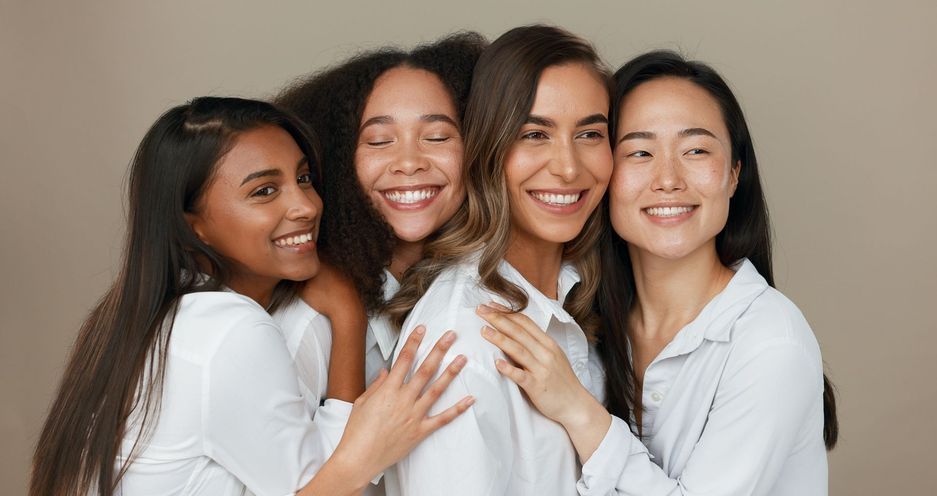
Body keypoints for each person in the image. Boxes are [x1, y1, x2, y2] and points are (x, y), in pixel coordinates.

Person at [29, 97, 473, 496]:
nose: (306, 206)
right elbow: (325, 484)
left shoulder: (147, 318)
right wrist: (348, 315)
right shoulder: (226, 327)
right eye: (264, 191)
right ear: (191, 224)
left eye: (303, 178)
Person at [476, 51, 839, 495]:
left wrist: (578, 410)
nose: (668, 179)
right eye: (640, 151)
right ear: (606, 171)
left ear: (733, 174)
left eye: (696, 150)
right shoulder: (582, 320)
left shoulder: (770, 342)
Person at [385, 25, 613, 495]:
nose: (569, 167)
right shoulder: (463, 337)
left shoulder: (575, 295)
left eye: (590, 133)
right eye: (534, 134)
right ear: (488, 146)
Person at [274, 32, 486, 391]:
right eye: (379, 141)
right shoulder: (307, 326)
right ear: (340, 162)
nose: (409, 163)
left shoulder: (484, 291)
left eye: (436, 137)